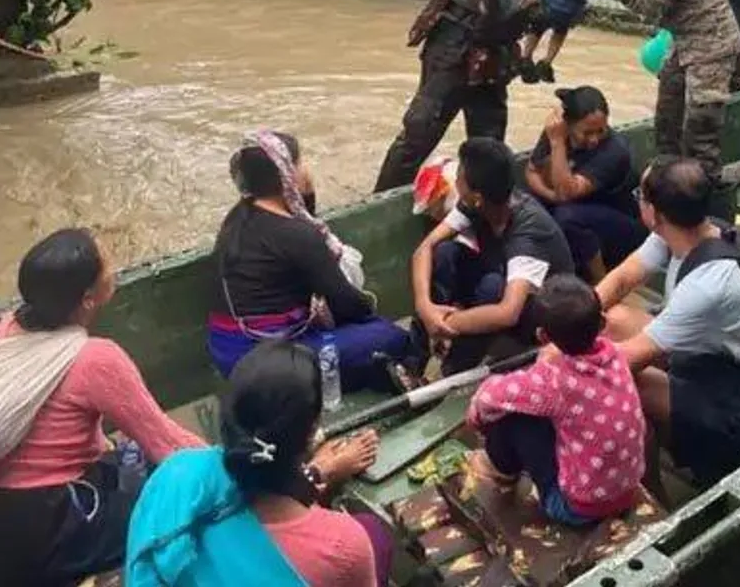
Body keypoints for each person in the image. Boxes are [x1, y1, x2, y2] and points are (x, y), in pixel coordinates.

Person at [0, 227, 205, 586]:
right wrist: (231, 465)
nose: (114, 265)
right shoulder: (96, 360)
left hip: (7, 516)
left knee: (122, 459)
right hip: (47, 524)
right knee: (176, 505)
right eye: (107, 263)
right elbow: (169, 446)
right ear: (89, 299)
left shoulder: (7, 331)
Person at [126, 340, 393, 587]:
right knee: (375, 534)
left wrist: (318, 472)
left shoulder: (174, 474)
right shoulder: (343, 546)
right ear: (312, 430)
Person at [594, 160, 740, 486]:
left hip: (739, 394)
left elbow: (626, 360)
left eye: (641, 196)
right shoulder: (681, 231)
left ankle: (655, 489)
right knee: (613, 322)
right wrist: (575, 317)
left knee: (622, 382)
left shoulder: (708, 286)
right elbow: (624, 277)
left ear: (656, 214)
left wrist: (557, 357)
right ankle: (674, 436)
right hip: (703, 358)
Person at [374, 0, 553, 192]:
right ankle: (380, 203)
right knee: (420, 134)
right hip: (455, 50)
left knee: (489, 142)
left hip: (490, 56)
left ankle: (485, 203)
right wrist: (546, 11)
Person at [209, 130, 413, 388]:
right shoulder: (298, 235)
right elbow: (349, 305)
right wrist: (369, 312)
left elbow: (300, 218)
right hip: (265, 364)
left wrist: (304, 194)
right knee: (390, 336)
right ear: (287, 173)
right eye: (300, 162)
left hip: (227, 352)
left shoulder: (236, 217)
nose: (306, 169)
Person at [465, 275, 645, 525]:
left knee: (514, 416)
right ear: (602, 322)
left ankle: (500, 470)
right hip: (626, 486)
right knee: (543, 406)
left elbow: (488, 397)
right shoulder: (615, 353)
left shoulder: (554, 380)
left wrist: (476, 419)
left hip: (578, 508)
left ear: (542, 336)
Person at [617, 0, 740, 214]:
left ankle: (707, 214)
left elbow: (651, 3)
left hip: (711, 40)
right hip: (683, 39)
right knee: (667, 120)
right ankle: (666, 199)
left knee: (700, 133)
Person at [410, 136, 574, 376]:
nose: (456, 181)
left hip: (542, 316)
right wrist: (425, 307)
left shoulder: (529, 230)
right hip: (501, 283)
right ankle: (413, 363)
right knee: (445, 253)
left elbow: (509, 312)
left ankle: (452, 371)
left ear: (477, 197)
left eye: (459, 177)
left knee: (492, 286)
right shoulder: (478, 203)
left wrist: (445, 323)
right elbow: (424, 249)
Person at [524, 86, 645, 283]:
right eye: (587, 133)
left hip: (623, 225)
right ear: (568, 125)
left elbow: (566, 193)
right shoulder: (556, 132)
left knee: (568, 216)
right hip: (582, 213)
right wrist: (550, 196)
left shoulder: (614, 151)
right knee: (528, 203)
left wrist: (557, 144)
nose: (594, 139)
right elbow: (532, 171)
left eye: (600, 131)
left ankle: (600, 283)